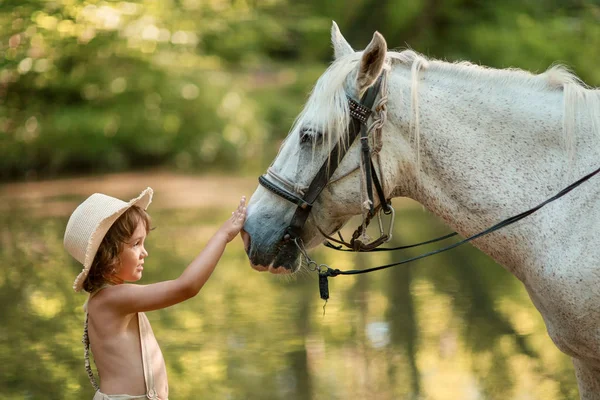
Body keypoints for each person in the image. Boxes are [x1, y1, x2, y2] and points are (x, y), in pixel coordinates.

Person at [63, 187, 246, 400]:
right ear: (108, 254)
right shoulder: (112, 299)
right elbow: (186, 287)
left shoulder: (112, 297)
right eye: (136, 244)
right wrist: (223, 235)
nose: (144, 252)